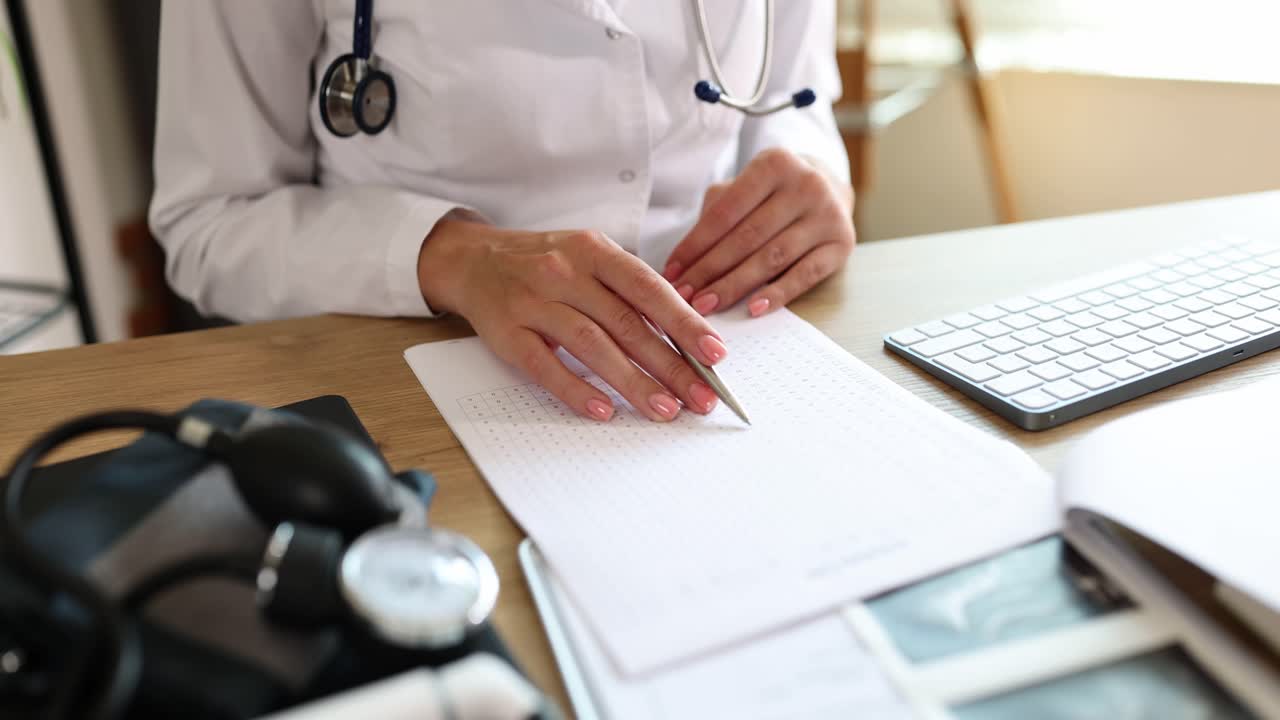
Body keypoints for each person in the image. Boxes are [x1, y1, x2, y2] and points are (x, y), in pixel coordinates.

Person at [150, 2, 855, 424]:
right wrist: (447, 257)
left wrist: (815, 173)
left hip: (728, 339)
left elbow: (796, 92)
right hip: (407, 370)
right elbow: (211, 220)